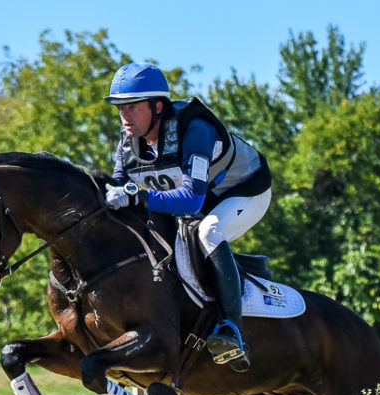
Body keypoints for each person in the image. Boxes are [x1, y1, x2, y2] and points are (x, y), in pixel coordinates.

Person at [102, 62, 272, 371]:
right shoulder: (127, 144)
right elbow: (115, 189)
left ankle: (231, 329)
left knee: (209, 231)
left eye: (132, 107)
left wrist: (139, 195)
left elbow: (192, 201)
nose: (124, 116)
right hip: (204, 198)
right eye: (120, 108)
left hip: (246, 190)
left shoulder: (194, 131)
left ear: (157, 107)